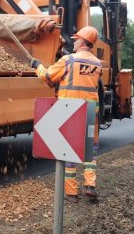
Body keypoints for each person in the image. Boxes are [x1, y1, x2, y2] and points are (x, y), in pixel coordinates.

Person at [30, 26, 103, 202]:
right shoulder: (97, 63)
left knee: (68, 152)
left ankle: (71, 193)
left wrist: (37, 66)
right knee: (89, 152)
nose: (74, 41)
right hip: (91, 111)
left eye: (76, 38)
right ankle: (90, 186)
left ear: (83, 41)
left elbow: (48, 77)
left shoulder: (68, 60)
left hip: (70, 111)